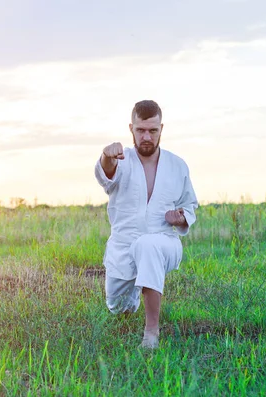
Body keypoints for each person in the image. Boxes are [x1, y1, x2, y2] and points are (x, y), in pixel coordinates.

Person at [94, 100, 198, 349]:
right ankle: (135, 294)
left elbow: (190, 205)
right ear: (131, 128)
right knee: (119, 309)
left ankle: (151, 333)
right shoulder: (121, 159)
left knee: (148, 245)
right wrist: (106, 156)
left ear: (161, 128)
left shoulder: (177, 165)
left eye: (153, 130)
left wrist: (181, 216)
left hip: (164, 242)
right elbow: (106, 176)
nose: (147, 136)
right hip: (123, 247)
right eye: (141, 130)